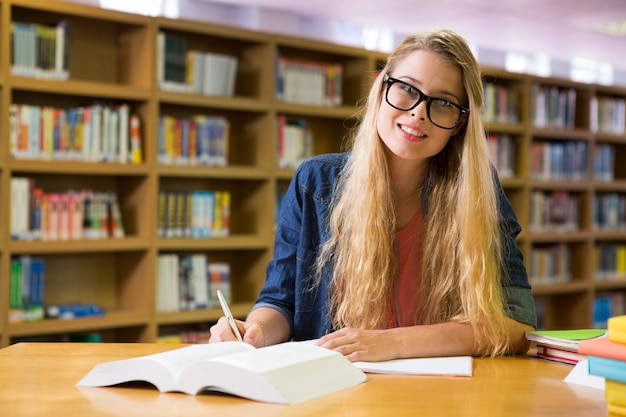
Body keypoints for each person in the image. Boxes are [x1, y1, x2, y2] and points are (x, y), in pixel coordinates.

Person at [209, 29, 536, 362]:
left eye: (443, 103)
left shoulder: (476, 192)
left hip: (440, 395)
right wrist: (256, 333)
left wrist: (393, 343)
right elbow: (281, 303)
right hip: (336, 390)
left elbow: (517, 323)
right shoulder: (316, 183)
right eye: (407, 89)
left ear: (460, 124)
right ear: (382, 88)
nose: (418, 113)